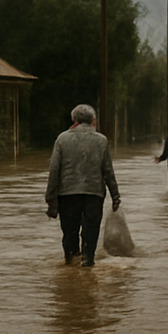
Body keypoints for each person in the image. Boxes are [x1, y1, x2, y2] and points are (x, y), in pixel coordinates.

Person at [45, 103, 121, 266]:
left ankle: (71, 264)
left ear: (74, 120)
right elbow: (108, 170)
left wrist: (51, 199)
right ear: (93, 120)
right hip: (94, 194)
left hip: (67, 194)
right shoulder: (101, 140)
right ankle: (87, 263)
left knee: (70, 232)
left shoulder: (62, 139)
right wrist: (115, 195)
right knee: (90, 232)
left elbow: (54, 170)